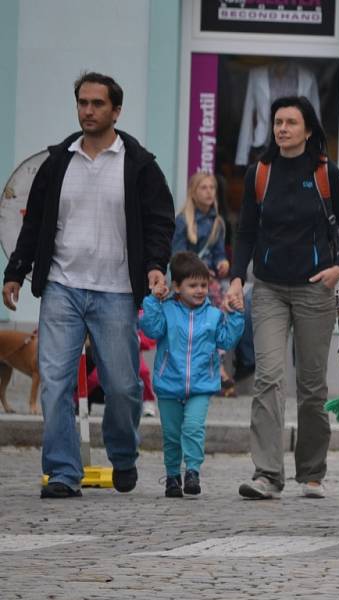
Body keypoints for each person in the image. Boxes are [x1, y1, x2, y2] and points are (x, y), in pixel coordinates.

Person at [2, 72, 175, 498]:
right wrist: (16, 272)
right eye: (83, 102)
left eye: (98, 104)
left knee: (122, 385)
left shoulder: (139, 165)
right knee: (56, 381)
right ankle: (62, 471)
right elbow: (35, 222)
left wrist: (154, 267)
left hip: (116, 290)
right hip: (62, 285)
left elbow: (159, 222)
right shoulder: (58, 161)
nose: (88, 110)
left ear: (116, 110)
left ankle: (122, 453)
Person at [226, 95, 339, 500]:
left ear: (308, 129)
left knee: (313, 385)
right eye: (278, 122)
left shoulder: (325, 174)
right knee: (268, 378)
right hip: (268, 288)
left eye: (291, 123)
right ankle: (267, 473)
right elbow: (245, 230)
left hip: (315, 289)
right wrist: (235, 278)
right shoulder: (259, 173)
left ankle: (312, 472)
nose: (283, 128)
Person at [140, 252, 244, 498]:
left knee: (194, 428)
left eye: (204, 285)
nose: (200, 290)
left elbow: (227, 339)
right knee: (172, 435)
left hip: (201, 385)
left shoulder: (214, 315)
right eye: (193, 285)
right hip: (168, 384)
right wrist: (153, 302)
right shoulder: (166, 310)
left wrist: (236, 316)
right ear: (176, 286)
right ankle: (173, 476)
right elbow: (151, 329)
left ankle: (193, 472)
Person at [172, 171, 236, 395]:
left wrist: (223, 262)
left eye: (212, 188)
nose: (209, 192)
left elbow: (219, 253)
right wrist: (199, 272)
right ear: (193, 191)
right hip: (191, 280)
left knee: (227, 307)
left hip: (212, 281)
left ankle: (216, 364)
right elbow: (177, 256)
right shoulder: (183, 221)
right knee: (212, 302)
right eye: (204, 188)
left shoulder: (218, 222)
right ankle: (216, 369)